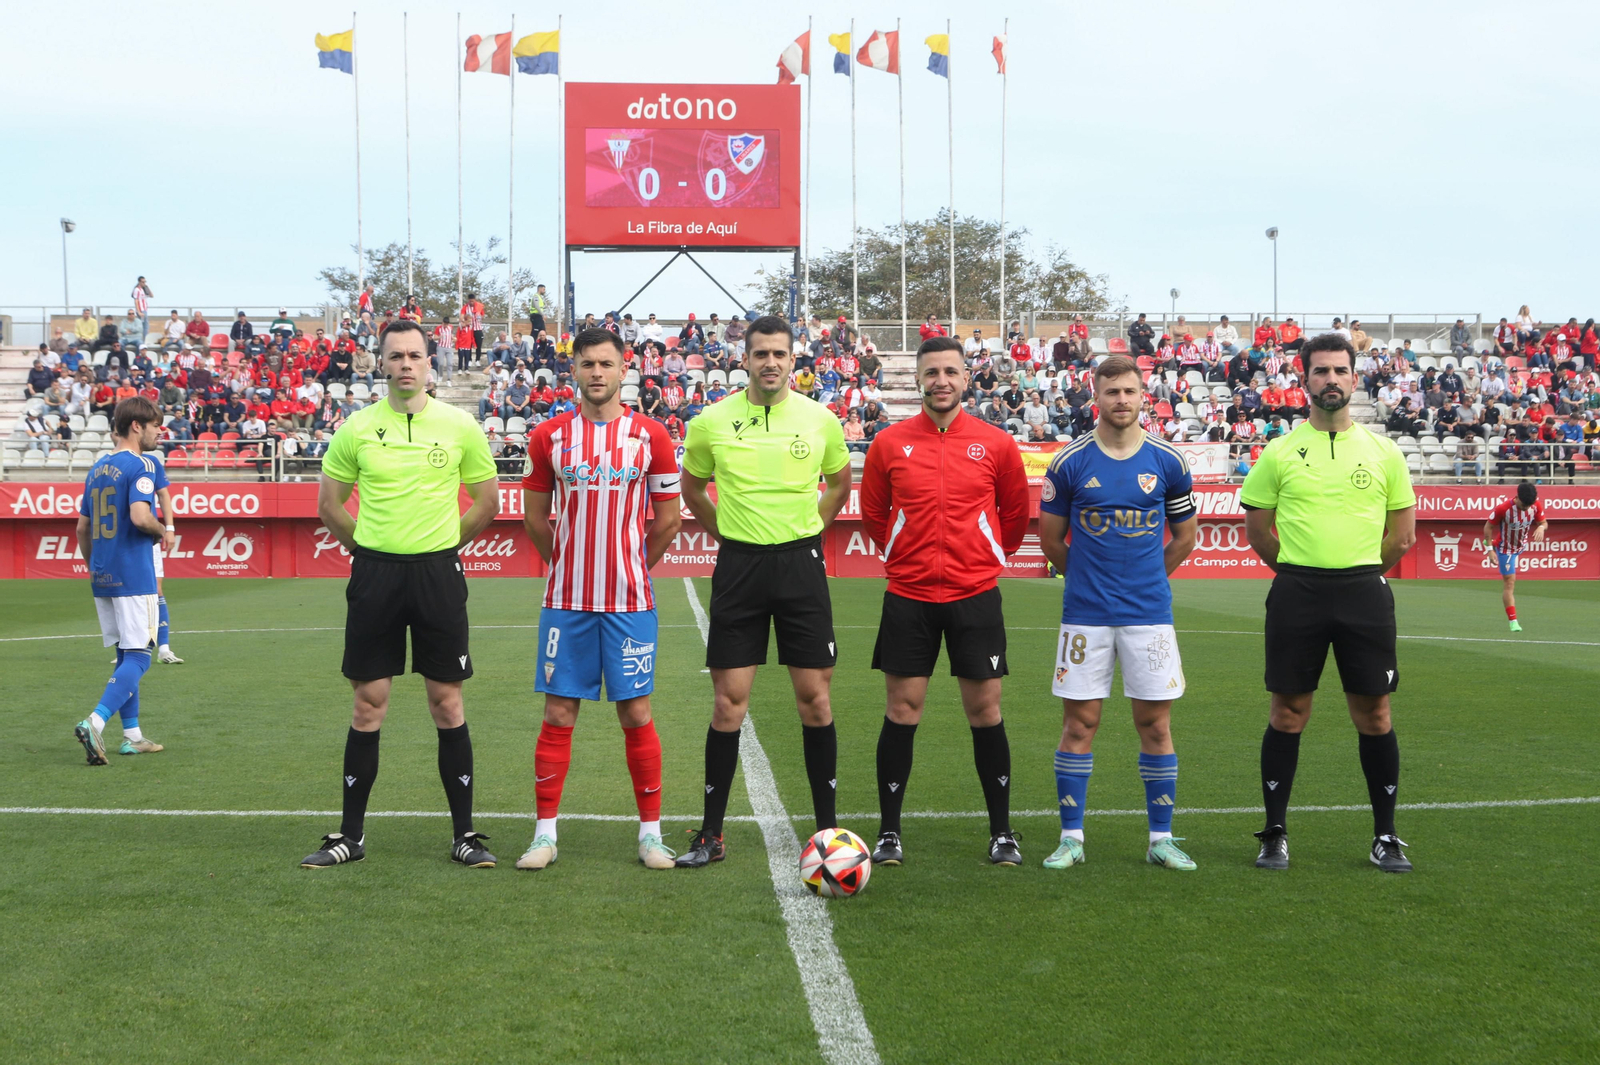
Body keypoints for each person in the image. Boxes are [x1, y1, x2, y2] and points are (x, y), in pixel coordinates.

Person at [299, 319, 502, 870]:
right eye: (396, 356)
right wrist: (369, 549)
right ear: (381, 363)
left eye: (415, 355)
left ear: (430, 363)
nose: (406, 364)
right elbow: (330, 507)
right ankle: (349, 837)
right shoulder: (356, 428)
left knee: (447, 703)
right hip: (376, 577)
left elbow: (486, 502)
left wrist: (439, 546)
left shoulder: (461, 426)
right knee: (369, 705)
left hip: (437, 576)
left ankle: (465, 836)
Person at [674, 315, 854, 868]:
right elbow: (692, 488)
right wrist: (726, 532)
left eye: (780, 354)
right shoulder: (710, 422)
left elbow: (841, 482)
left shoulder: (821, 420)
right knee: (728, 703)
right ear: (744, 359)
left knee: (815, 701)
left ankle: (827, 835)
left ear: (794, 360)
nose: (771, 363)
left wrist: (810, 530)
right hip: (740, 568)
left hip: (801, 565)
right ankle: (711, 834)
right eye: (761, 354)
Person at [1240, 333, 1417, 874]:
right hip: (1297, 592)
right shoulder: (1280, 450)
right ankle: (1274, 832)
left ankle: (1385, 835)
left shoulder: (1384, 451)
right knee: (1288, 713)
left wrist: (1359, 572)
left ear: (1355, 377)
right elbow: (1257, 530)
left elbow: (1402, 536)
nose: (1331, 380)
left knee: (1375, 713)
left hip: (1365, 592)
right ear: (1305, 379)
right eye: (1321, 372)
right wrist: (1299, 571)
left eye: (1341, 371)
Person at [858, 337, 1030, 867]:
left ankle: (1002, 833)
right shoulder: (889, 443)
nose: (941, 380)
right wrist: (902, 556)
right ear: (917, 378)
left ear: (966, 377)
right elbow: (873, 514)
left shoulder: (996, 443)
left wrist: (981, 556)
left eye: (950, 371)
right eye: (931, 372)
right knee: (902, 710)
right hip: (908, 597)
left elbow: (1015, 515)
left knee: (985, 711)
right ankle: (889, 833)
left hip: (975, 596)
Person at [516, 329, 683, 871]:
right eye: (586, 364)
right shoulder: (548, 436)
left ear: (622, 369)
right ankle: (544, 835)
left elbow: (669, 520)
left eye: (606, 364)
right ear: (574, 371)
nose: (596, 372)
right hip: (567, 599)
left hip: (630, 601)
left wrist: (631, 565)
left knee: (636, 712)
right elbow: (534, 518)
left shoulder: (651, 435)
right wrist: (565, 560)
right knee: (559, 711)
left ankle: (651, 835)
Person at [1036, 355, 1200, 873]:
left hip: (1149, 615)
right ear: (1095, 396)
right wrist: (1089, 581)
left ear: (1142, 395)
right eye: (1112, 393)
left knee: (1155, 724)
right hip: (1085, 614)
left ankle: (1161, 838)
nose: (1121, 401)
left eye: (1130, 391)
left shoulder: (1168, 462)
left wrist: (1147, 578)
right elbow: (1050, 541)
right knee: (1079, 723)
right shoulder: (1070, 463)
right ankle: (1071, 838)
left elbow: (1186, 537)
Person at [72, 397, 175, 764]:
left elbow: (83, 527)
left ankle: (131, 736)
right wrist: (164, 530)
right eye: (154, 425)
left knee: (124, 655)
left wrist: (94, 565)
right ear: (136, 426)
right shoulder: (142, 465)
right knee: (140, 657)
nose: (158, 431)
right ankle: (95, 722)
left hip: (104, 574)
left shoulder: (96, 469)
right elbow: (139, 516)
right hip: (134, 573)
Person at [1484, 482, 1547, 632]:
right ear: (1517, 497)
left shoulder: (1535, 505)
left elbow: (1544, 522)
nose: (1526, 508)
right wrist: (1489, 550)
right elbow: (1488, 526)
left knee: (1512, 580)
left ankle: (1492, 543)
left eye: (1529, 505)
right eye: (1524, 505)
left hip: (1521, 544)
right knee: (1510, 582)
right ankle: (1513, 621)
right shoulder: (1503, 509)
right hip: (1506, 549)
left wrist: (1541, 527)